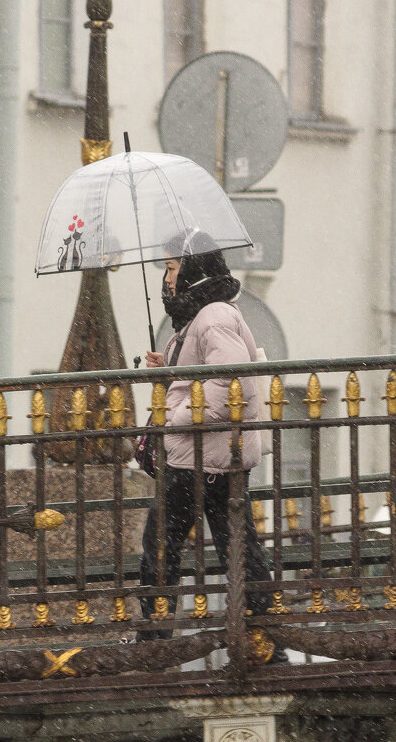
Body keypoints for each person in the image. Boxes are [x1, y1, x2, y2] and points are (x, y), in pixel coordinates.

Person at [136, 229, 276, 643]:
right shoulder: (204, 317)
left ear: (193, 270)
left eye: (172, 267)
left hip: (199, 458)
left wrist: (173, 417)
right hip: (214, 458)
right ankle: (266, 639)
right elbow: (211, 378)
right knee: (239, 549)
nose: (166, 279)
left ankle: (155, 643)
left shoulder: (212, 317)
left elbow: (231, 389)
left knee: (161, 544)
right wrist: (171, 368)